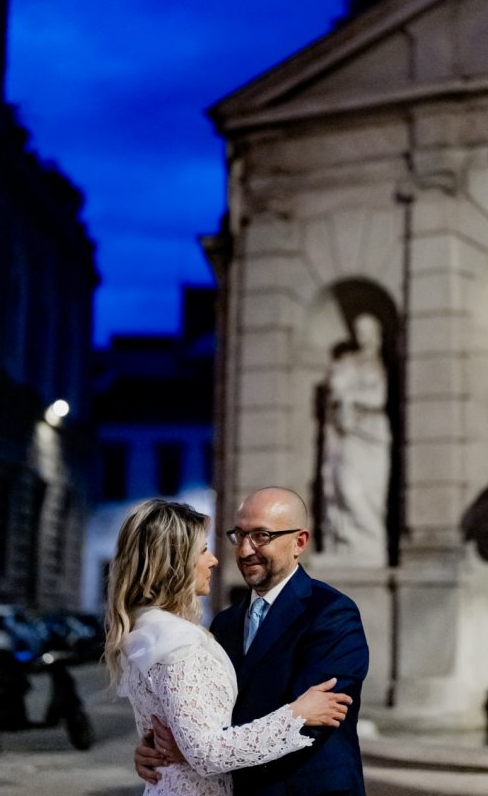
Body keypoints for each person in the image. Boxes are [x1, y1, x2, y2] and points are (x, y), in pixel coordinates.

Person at [105, 498, 352, 796]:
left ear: (299, 542)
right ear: (174, 563)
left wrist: (180, 751)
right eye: (239, 536)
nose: (239, 551)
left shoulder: (332, 614)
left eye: (262, 536)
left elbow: (327, 715)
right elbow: (203, 747)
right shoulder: (193, 634)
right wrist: (295, 714)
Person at [322, 312, 391, 564]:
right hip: (348, 434)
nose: (362, 336)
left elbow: (379, 398)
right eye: (358, 330)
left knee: (369, 493)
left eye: (367, 330)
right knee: (345, 487)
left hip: (371, 435)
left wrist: (351, 397)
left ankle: (369, 543)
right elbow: (334, 391)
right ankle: (348, 542)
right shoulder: (348, 361)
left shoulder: (377, 365)